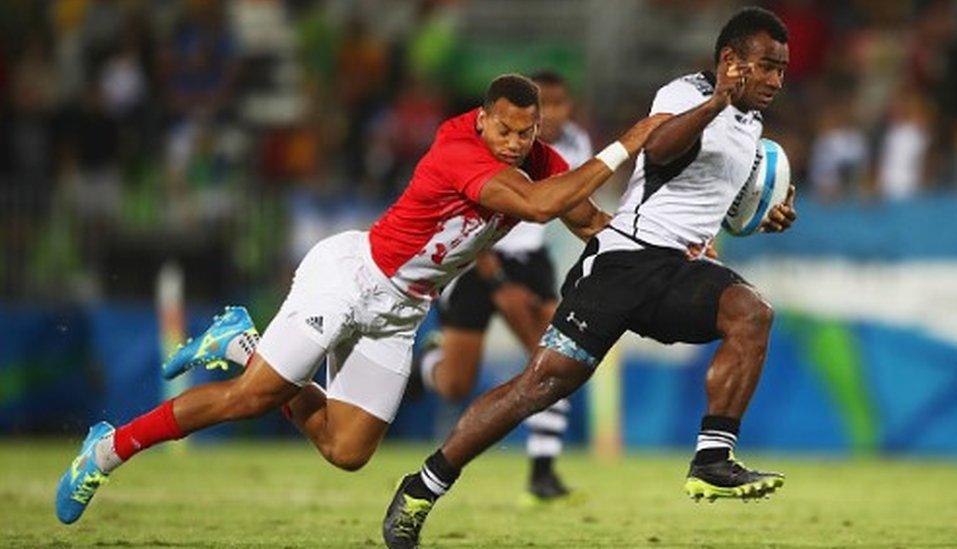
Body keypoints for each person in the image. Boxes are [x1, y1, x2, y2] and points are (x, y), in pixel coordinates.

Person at [55, 73, 661, 525]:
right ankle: (107, 449)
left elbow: (584, 217)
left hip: (401, 311)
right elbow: (537, 205)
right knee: (252, 399)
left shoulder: (534, 156)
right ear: (481, 118)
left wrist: (665, 248)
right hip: (350, 278)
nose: (513, 142)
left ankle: (243, 346)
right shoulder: (457, 151)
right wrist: (627, 143)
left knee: (347, 452)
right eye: (503, 129)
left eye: (525, 133)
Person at [382, 7, 797, 548]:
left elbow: (709, 202)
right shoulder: (686, 92)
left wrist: (762, 218)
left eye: (782, 70)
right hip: (621, 263)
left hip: (676, 270)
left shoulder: (751, 126)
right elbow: (660, 149)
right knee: (538, 387)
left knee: (752, 313)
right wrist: (716, 99)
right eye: (765, 66)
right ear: (729, 61)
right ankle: (422, 487)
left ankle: (713, 459)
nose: (775, 80)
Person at [417, 70, 592, 503]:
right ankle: (428, 362)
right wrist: (495, 279)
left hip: (531, 261)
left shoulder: (575, 146)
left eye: (557, 105)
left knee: (556, 357)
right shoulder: (485, 144)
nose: (550, 114)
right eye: (542, 105)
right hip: (477, 257)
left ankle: (542, 471)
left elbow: (577, 211)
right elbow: (466, 219)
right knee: (455, 384)